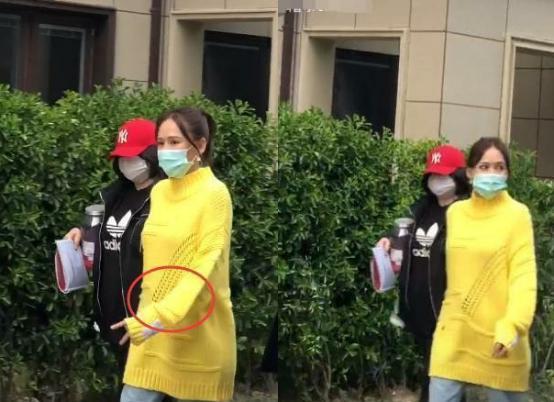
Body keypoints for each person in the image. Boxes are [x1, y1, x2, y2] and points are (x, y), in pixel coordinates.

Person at [111, 107, 236, 402]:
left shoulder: (215, 194)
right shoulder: (159, 192)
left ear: (200, 145)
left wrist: (158, 317)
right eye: (161, 143)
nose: (166, 150)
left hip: (200, 339)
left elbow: (204, 264)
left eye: (175, 142)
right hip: (151, 337)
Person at [429, 137, 537, 402]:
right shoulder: (455, 214)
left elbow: (523, 278)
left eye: (499, 167)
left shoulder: (517, 215)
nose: (492, 173)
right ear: (470, 172)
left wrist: (513, 325)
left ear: (507, 173)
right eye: (484, 167)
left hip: (501, 338)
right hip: (454, 333)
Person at [64, 118, 163, 377]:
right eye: (121, 158)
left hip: (145, 320)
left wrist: (149, 317)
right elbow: (100, 231)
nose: (127, 163)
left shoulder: (164, 199)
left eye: (134, 156)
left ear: (152, 155)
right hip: (113, 316)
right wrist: (80, 231)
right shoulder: (115, 196)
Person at [376, 144, 470, 402]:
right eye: (432, 174)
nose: (437, 180)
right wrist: (388, 241)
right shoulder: (420, 209)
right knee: (434, 372)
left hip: (447, 311)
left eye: (443, 174)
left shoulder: (465, 213)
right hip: (419, 308)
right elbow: (402, 237)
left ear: (458, 176)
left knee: (441, 375)